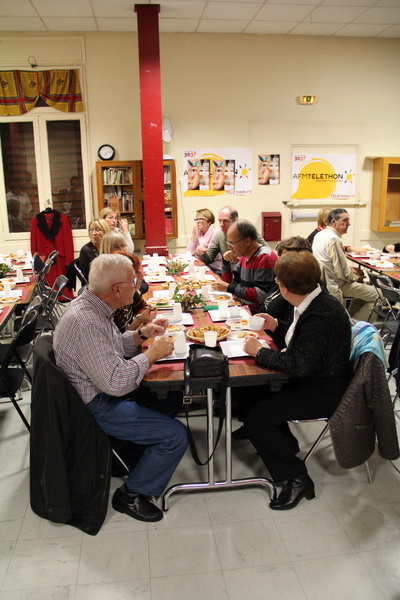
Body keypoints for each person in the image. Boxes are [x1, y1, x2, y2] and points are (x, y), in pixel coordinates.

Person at [53, 254, 188, 523]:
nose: (137, 287)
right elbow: (115, 383)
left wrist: (142, 334)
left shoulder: (94, 306)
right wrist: (151, 355)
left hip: (99, 389)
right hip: (95, 404)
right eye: (134, 282)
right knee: (175, 436)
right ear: (117, 289)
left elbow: (112, 348)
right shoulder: (87, 322)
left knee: (172, 393)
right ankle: (131, 494)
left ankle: (130, 454)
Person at [241, 250, 351, 510]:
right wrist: (275, 326)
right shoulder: (313, 300)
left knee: (257, 418)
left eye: (278, 281)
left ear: (284, 287)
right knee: (247, 390)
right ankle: (283, 444)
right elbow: (303, 345)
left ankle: (298, 478)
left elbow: (298, 364)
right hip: (314, 377)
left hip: (323, 389)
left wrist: (259, 352)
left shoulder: (321, 314)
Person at [312, 208, 378, 321]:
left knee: (364, 292)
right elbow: (342, 273)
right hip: (337, 285)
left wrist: (350, 271)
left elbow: (332, 264)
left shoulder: (320, 235)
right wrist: (356, 277)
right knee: (380, 296)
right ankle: (356, 326)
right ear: (334, 222)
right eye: (345, 220)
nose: (349, 224)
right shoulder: (334, 240)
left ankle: (350, 320)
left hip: (325, 283)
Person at [211, 220, 278, 314]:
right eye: (228, 243)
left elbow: (261, 296)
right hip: (243, 306)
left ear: (247, 241)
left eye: (232, 243)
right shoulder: (245, 256)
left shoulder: (264, 258)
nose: (229, 247)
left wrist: (229, 288)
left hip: (256, 313)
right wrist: (225, 262)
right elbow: (229, 283)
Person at [196, 206, 267, 283]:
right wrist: (201, 253)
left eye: (225, 221)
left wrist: (241, 255)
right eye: (220, 221)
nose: (221, 224)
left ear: (235, 221)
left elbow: (266, 252)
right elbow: (208, 258)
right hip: (230, 277)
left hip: (248, 277)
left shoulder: (246, 233)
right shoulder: (219, 235)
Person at [111, 251, 151, 333]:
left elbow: (144, 307)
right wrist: (138, 321)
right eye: (136, 272)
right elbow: (120, 339)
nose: (141, 275)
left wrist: (140, 318)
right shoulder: (112, 305)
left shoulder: (129, 289)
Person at [186, 208, 222, 275]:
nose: (198, 222)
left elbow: (212, 256)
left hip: (216, 268)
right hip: (202, 266)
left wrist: (200, 252)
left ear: (209, 222)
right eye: (197, 219)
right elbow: (189, 252)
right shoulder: (198, 232)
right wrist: (193, 233)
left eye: (201, 219)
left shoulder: (217, 233)